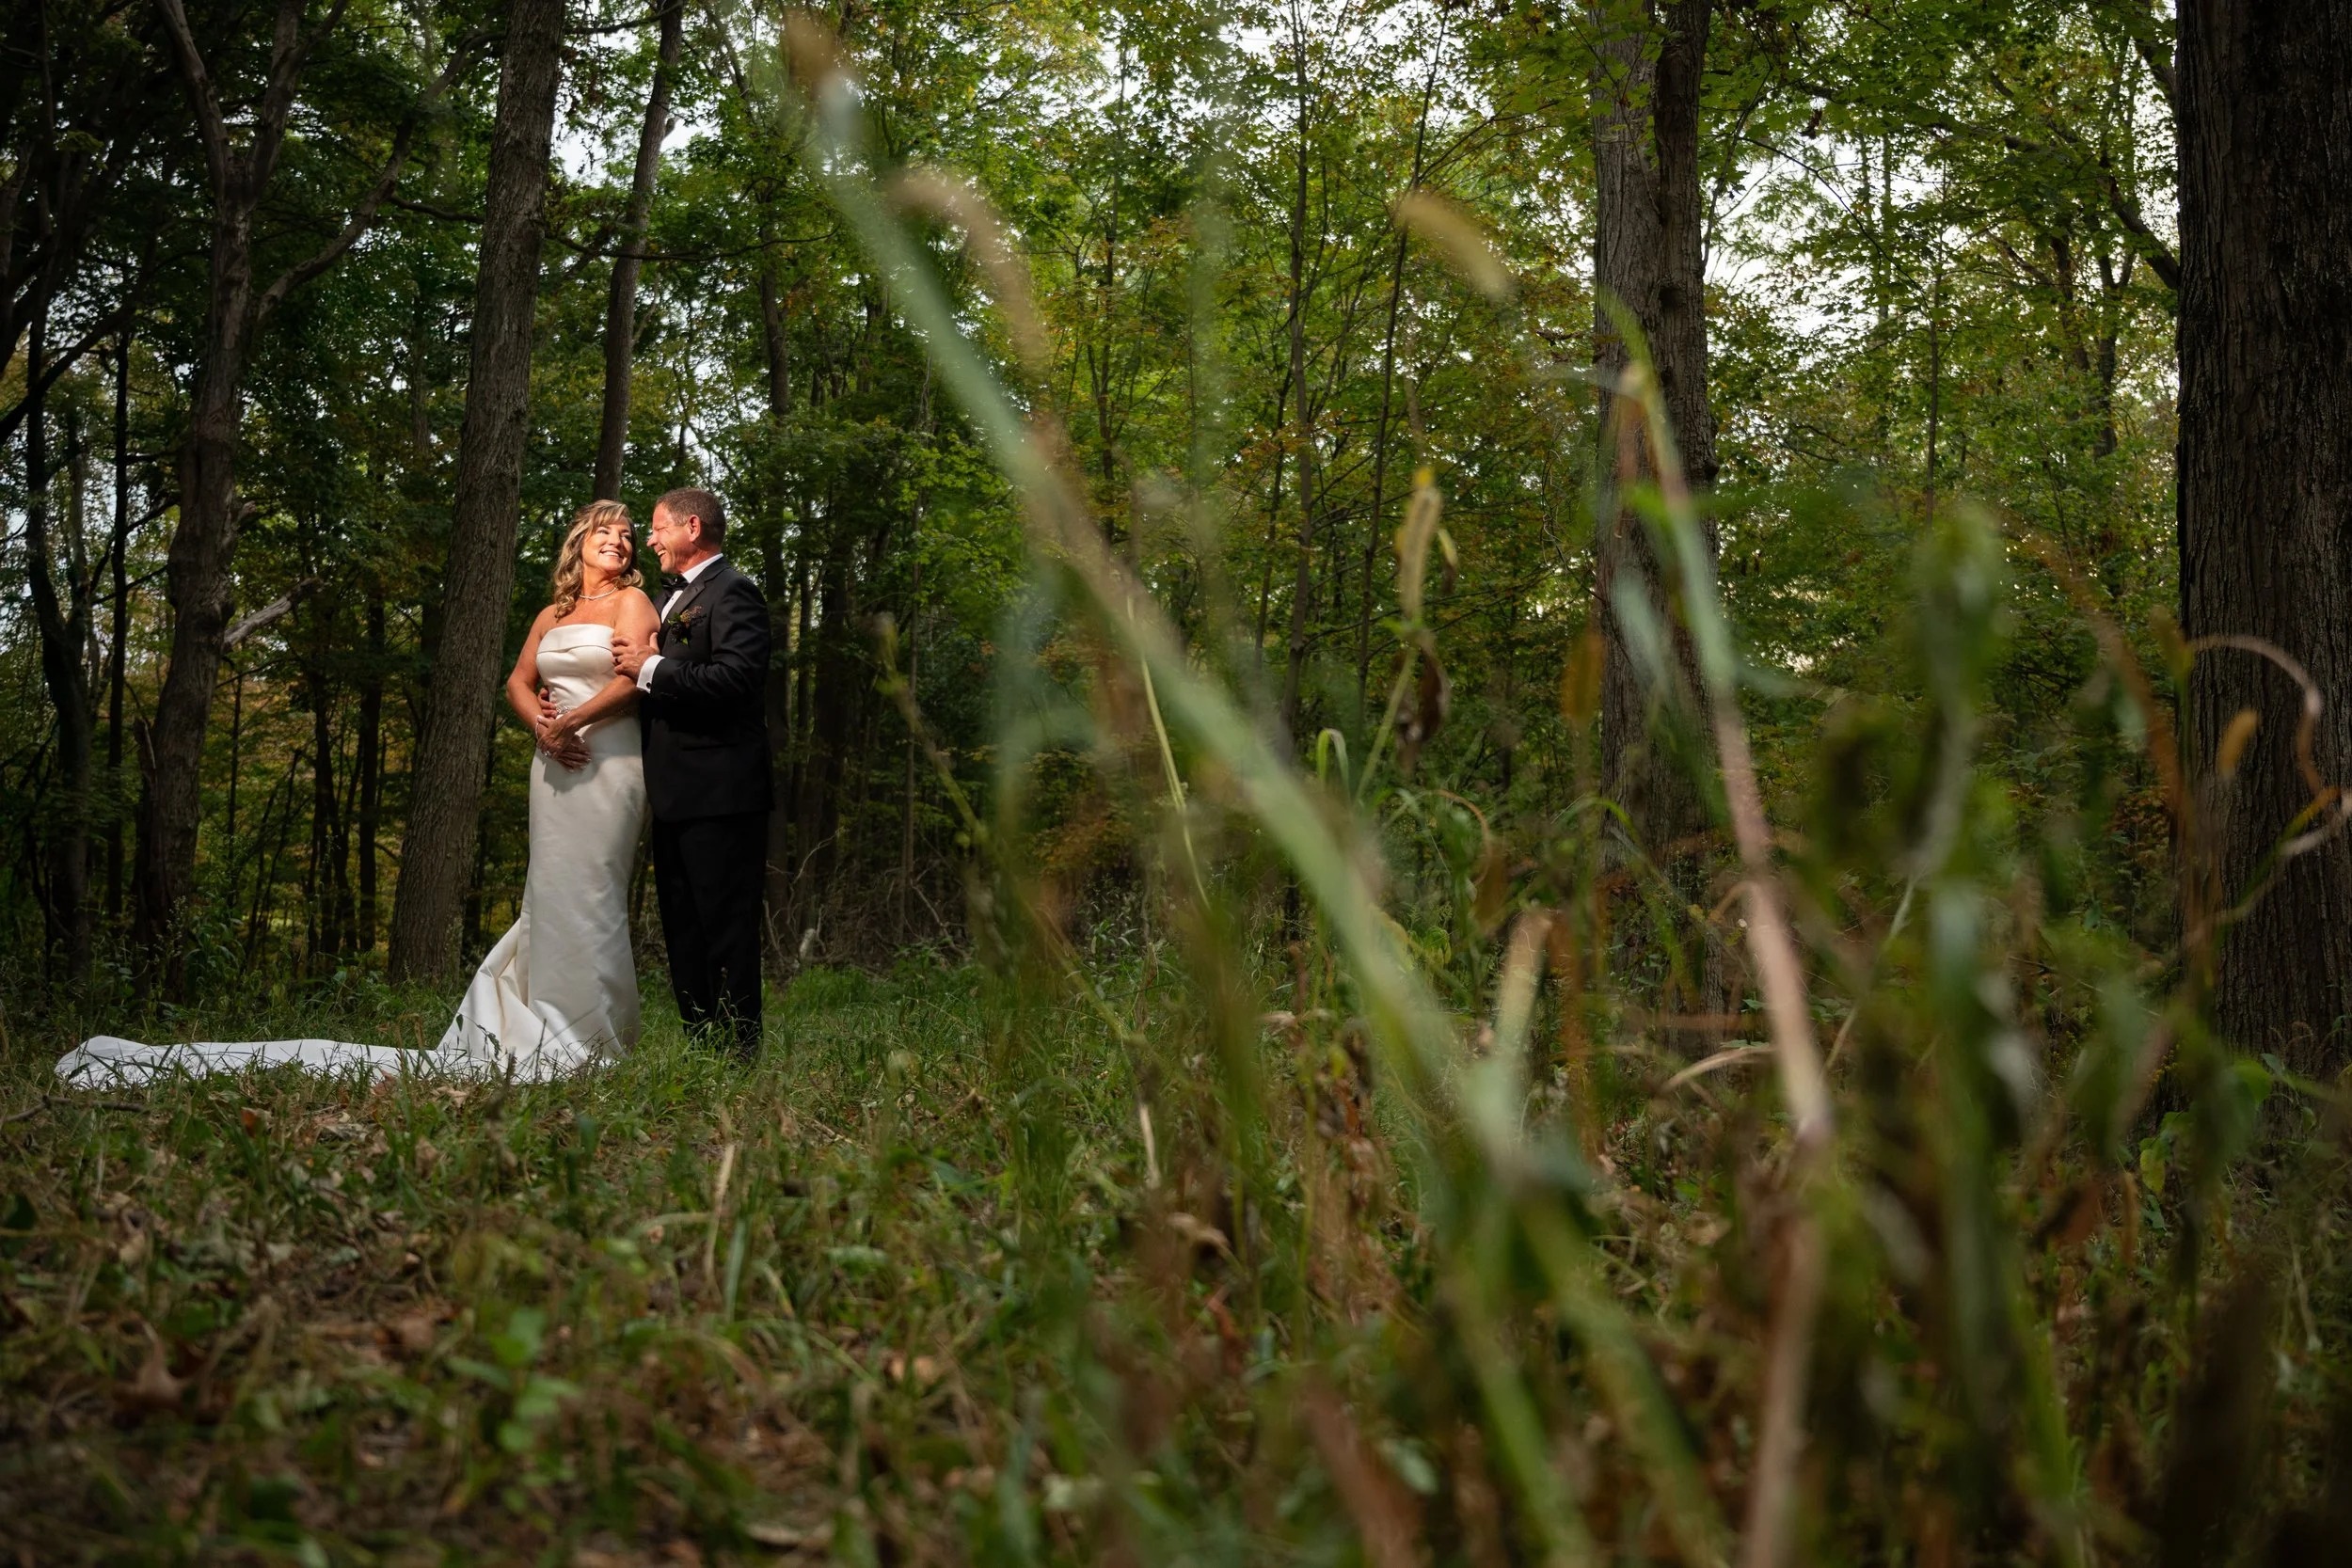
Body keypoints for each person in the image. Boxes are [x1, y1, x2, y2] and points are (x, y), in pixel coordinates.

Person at [57, 500, 661, 1086]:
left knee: (593, 890)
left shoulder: (633, 602)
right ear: (578, 542)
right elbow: (517, 681)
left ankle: (591, 1034)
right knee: (549, 892)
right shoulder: (551, 613)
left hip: (605, 763)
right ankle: (540, 1018)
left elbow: (634, 680)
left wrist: (570, 722)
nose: (618, 541)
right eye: (604, 531)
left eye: (628, 535)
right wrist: (541, 726)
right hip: (552, 764)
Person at [606, 486, 773, 1061]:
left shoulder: (734, 593)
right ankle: (703, 1051)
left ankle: (739, 1057)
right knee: (684, 930)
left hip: (723, 792)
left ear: (692, 529)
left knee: (726, 929)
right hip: (674, 792)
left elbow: (735, 681)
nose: (648, 539)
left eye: (656, 528)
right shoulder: (666, 599)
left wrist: (651, 666)